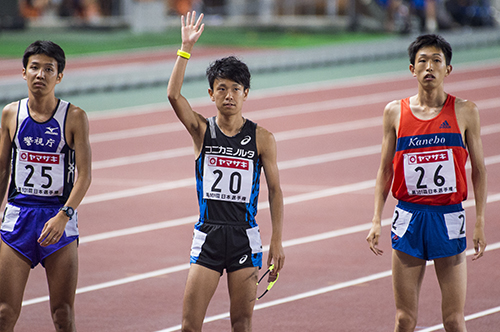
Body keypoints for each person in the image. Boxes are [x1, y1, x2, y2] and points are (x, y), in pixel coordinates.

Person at [167, 11, 285, 332]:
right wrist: (185, 48)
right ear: (211, 94)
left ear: (246, 93)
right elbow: (173, 96)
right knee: (190, 325)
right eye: (221, 88)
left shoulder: (262, 138)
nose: (229, 95)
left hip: (245, 237)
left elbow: (275, 191)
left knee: (241, 323)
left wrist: (277, 241)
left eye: (235, 88)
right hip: (208, 234)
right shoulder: (201, 131)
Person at [366, 34, 487, 332]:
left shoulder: (465, 110)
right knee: (404, 319)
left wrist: (481, 220)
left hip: (448, 217)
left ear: (448, 69)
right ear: (412, 69)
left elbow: (480, 170)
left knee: (454, 320)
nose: (429, 67)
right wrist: (375, 219)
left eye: (436, 61)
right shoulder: (395, 111)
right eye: (422, 61)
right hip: (409, 216)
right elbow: (384, 169)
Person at [0, 40, 92, 331]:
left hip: (58, 219)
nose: (40, 74)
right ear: (24, 73)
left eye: (48, 69)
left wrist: (64, 215)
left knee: (62, 313)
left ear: (59, 76)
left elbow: (85, 175)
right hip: (17, 218)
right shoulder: (11, 114)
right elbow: (2, 170)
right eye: (34, 67)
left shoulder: (74, 117)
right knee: (4, 313)